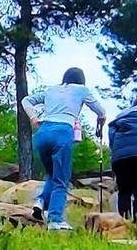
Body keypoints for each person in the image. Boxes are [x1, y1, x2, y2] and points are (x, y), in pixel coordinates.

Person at [21, 67, 106, 230]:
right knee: (61, 179)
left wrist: (33, 118)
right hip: (62, 132)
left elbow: (26, 100)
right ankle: (55, 219)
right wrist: (100, 124)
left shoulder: (51, 90)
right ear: (81, 79)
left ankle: (40, 201)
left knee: (53, 174)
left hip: (43, 132)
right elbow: (101, 112)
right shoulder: (82, 90)